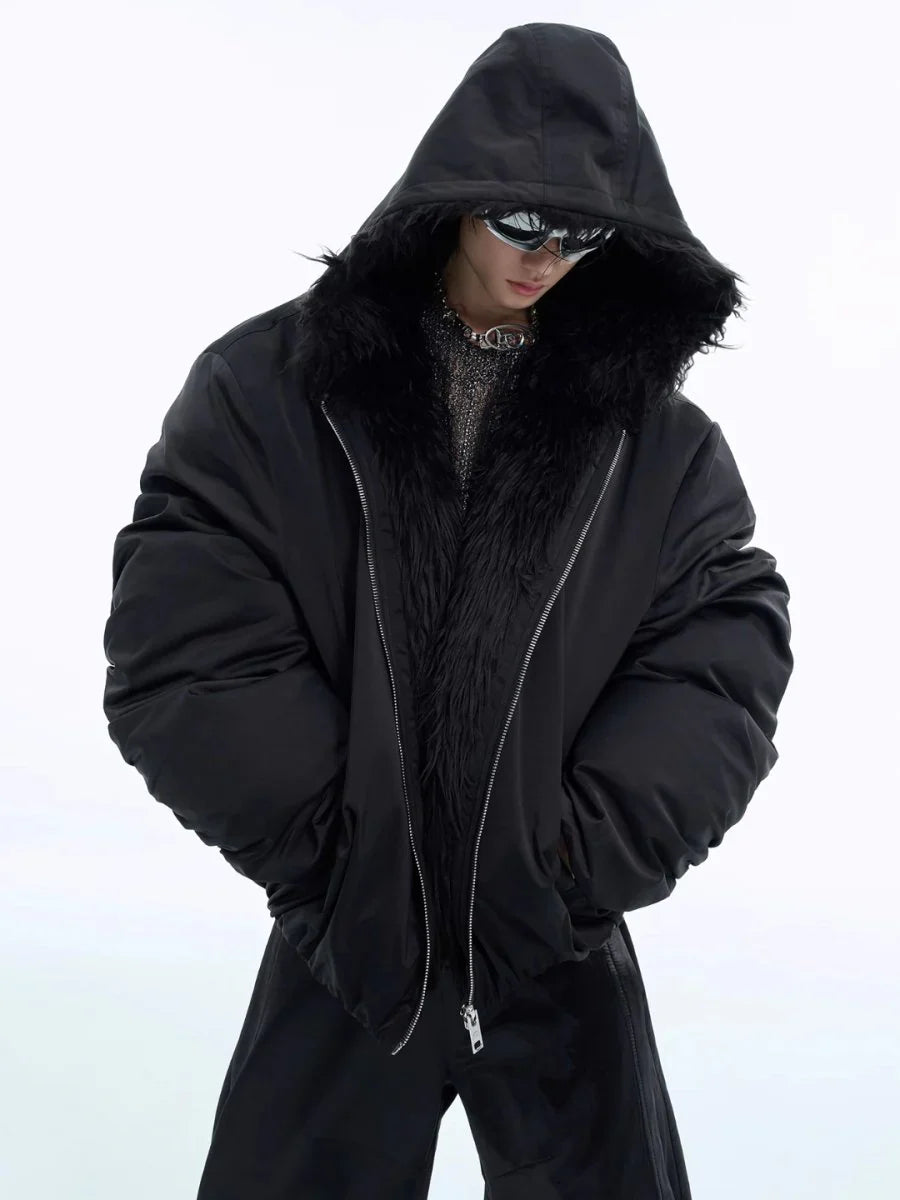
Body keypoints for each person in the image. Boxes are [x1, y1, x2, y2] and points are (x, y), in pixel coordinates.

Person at [101, 22, 793, 1200]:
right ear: (455, 194)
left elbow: (717, 657)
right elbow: (189, 629)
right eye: (520, 221)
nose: (547, 257)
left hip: (551, 935)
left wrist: (570, 870)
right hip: (350, 941)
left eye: (583, 232)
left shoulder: (663, 449)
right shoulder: (268, 390)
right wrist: (331, 858)